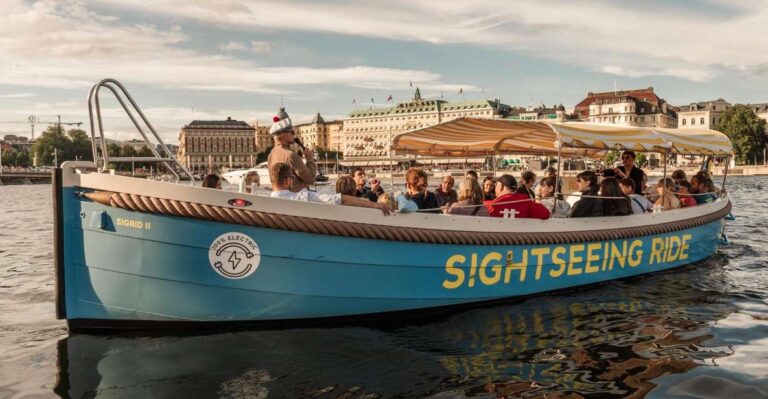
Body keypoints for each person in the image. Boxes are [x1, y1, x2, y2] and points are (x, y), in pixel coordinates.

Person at [270, 163, 390, 215]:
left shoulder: (265, 202)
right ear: (288, 180)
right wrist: (374, 205)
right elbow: (338, 199)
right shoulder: (303, 197)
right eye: (292, 177)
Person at [266, 107, 316, 192]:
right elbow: (310, 179)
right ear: (284, 135)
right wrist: (309, 158)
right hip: (296, 199)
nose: (294, 135)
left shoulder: (271, 154)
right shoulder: (291, 155)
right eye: (292, 133)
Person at [486, 174, 550, 219]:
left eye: (496, 185)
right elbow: (546, 213)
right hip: (521, 237)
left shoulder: (489, 206)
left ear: (501, 187)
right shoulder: (526, 202)